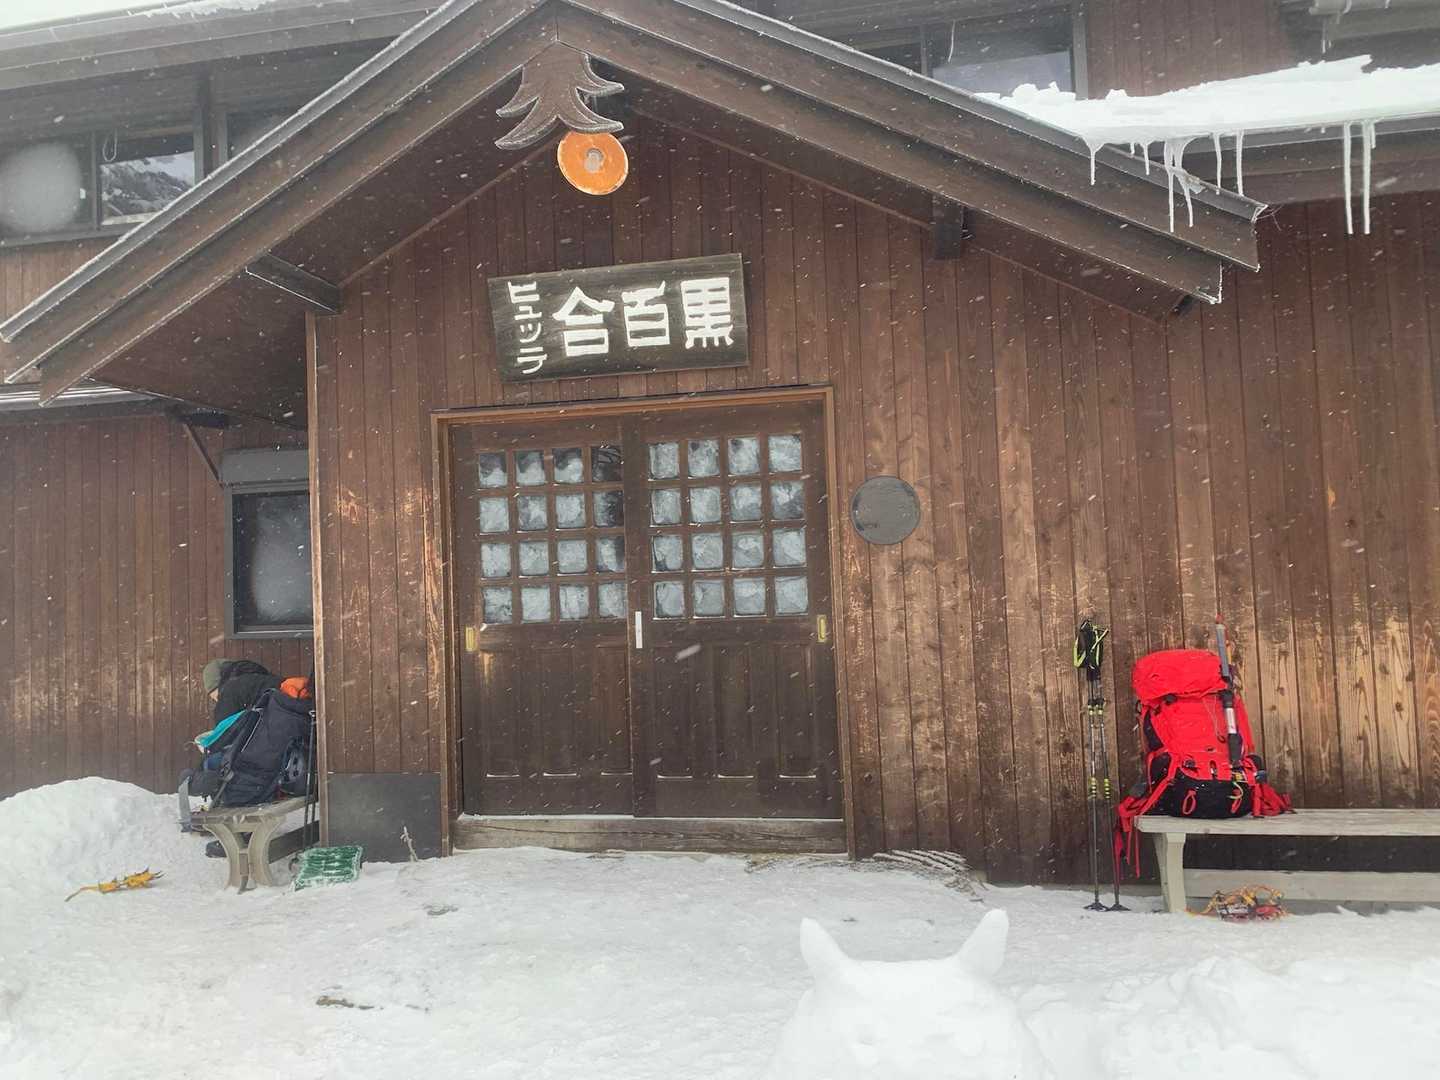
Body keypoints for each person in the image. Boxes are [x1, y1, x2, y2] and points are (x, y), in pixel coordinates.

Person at [178, 659, 280, 832]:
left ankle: (232, 828)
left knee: (220, 767)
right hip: (283, 759)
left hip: (261, 771)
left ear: (217, 684)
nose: (216, 699)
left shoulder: (231, 691)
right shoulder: (262, 680)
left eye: (214, 695)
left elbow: (225, 738)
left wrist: (200, 770)